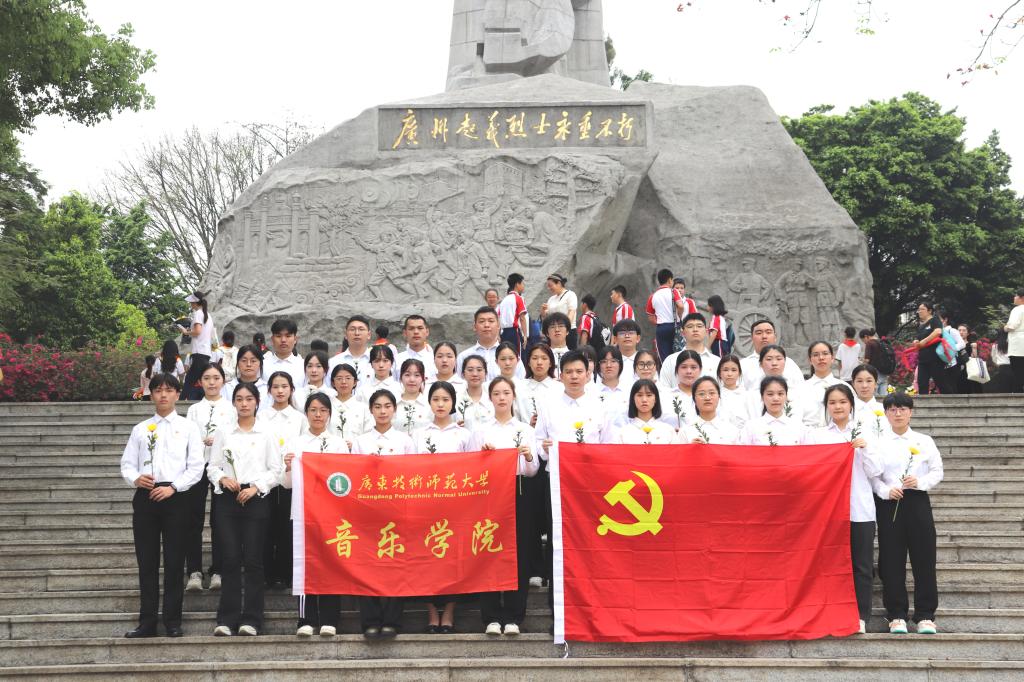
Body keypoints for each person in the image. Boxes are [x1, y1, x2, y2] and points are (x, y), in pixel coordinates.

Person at [120, 373, 205, 638]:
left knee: (174, 561)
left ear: (178, 394)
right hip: (146, 496)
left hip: (176, 497)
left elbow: (196, 466)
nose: (163, 395)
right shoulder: (141, 429)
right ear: (151, 395)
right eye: (158, 390)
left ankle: (172, 621)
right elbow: (127, 464)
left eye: (169, 390)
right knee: (146, 562)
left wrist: (173, 487)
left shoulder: (189, 427)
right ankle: (146, 622)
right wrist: (136, 478)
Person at [805, 384, 882, 634]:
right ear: (826, 407)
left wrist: (864, 448)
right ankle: (828, 612)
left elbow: (876, 471)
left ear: (851, 405)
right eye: (832, 402)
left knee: (862, 565)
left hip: (859, 509)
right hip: (828, 511)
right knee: (828, 564)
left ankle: (860, 616)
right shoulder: (818, 436)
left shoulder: (865, 434)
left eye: (842, 402)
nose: (837, 407)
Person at [208, 382, 283, 636]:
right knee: (229, 559)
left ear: (257, 402)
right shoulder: (224, 431)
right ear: (233, 403)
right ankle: (226, 619)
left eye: (249, 399)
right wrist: (222, 478)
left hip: (255, 497)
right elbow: (213, 466)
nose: (244, 403)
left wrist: (256, 487)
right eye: (239, 399)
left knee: (253, 560)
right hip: (228, 498)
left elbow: (276, 469)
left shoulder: (267, 432)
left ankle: (251, 619)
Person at [471, 377, 539, 636]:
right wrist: (483, 455)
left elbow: (532, 471)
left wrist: (528, 456)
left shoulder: (525, 429)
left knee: (518, 554)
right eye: (497, 393)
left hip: (518, 492)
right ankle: (490, 616)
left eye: (506, 393)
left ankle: (513, 616)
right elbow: (470, 468)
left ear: (513, 396)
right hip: (488, 495)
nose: (501, 397)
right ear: (490, 398)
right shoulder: (481, 431)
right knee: (488, 552)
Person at [873, 391, 944, 635]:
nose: (898, 413)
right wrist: (885, 491)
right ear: (886, 413)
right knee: (891, 560)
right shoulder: (878, 443)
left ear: (911, 412)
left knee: (924, 558)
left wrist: (920, 482)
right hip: (890, 503)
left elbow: (937, 471)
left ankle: (925, 615)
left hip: (917, 501)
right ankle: (896, 615)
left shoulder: (924, 441)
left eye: (902, 409)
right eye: (892, 409)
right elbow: (873, 477)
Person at [281, 393, 349, 637]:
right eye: (313, 410)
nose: (318, 415)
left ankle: (330, 618)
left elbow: (345, 481)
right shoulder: (296, 443)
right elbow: (286, 484)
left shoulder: (339, 444)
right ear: (306, 413)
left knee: (332, 564)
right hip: (303, 513)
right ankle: (306, 619)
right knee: (305, 564)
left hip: (332, 514)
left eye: (323, 410)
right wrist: (288, 468)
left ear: (329, 414)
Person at [351, 389, 413, 639]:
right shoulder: (361, 441)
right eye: (378, 406)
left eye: (387, 406)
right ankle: (370, 620)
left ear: (394, 410)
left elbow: (412, 474)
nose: (383, 411)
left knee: (396, 564)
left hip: (397, 509)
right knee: (368, 565)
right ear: (371, 410)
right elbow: (353, 475)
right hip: (368, 510)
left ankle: (392, 621)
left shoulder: (405, 441)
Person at [413, 381, 471, 633]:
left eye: (445, 400)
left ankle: (448, 610)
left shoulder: (464, 435)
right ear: (429, 402)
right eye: (436, 399)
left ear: (453, 403)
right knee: (426, 557)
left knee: (452, 558)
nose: (440, 404)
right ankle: (430, 611)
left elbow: (473, 468)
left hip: (455, 505)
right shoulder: (418, 434)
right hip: (424, 504)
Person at [184, 364, 237, 593]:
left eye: (216, 378)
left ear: (223, 381)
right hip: (196, 467)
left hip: (222, 468)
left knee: (220, 520)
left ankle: (218, 570)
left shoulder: (232, 408)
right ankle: (194, 571)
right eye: (207, 378)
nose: (212, 382)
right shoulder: (194, 409)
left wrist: (218, 441)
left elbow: (235, 437)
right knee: (193, 520)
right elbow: (187, 438)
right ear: (200, 382)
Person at [258, 371, 305, 591]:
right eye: (275, 387)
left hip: (291, 480)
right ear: (269, 390)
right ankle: (266, 574)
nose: (280, 391)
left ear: (291, 389)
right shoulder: (261, 417)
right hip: (266, 481)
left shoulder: (299, 418)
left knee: (288, 530)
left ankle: (286, 574)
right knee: (266, 529)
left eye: (284, 386)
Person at [739, 319, 805, 391]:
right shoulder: (743, 365)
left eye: (768, 332)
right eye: (759, 333)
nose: (764, 336)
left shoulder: (789, 363)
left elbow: (801, 390)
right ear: (752, 337)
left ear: (775, 337)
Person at [659, 312, 720, 388]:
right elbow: (663, 390)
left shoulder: (717, 362)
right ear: (682, 333)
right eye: (690, 326)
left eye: (699, 326)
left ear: (706, 331)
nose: (695, 329)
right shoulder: (671, 360)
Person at [739, 376, 805, 445]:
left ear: (786, 396)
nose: (776, 398)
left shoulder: (798, 427)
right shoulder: (751, 427)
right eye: (770, 394)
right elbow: (742, 450)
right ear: (762, 397)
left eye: (780, 394)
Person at [745, 344, 802, 422]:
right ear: (761, 364)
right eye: (769, 359)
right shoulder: (751, 395)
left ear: (785, 362)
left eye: (779, 359)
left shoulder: (797, 392)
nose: (774, 363)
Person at [457, 306, 514, 380]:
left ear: (498, 326)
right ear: (474, 326)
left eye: (491, 321)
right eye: (481, 321)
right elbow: (459, 384)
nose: (486, 325)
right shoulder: (463, 356)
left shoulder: (512, 356)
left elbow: (520, 382)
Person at [680, 376, 740, 444]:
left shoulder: (732, 430)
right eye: (701, 394)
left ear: (719, 397)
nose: (707, 398)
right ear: (694, 399)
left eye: (712, 393)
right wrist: (691, 448)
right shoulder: (685, 431)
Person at [177, 292, 214, 400]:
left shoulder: (198, 313)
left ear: (195, 302)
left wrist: (186, 332)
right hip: (206, 352)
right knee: (202, 379)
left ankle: (180, 403)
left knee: (189, 380)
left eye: (191, 302)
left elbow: (197, 332)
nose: (190, 304)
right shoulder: (208, 315)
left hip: (199, 352)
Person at [615, 379, 676, 444]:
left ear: (655, 399)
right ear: (633, 399)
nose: (644, 400)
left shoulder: (668, 430)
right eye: (640, 395)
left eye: (649, 395)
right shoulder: (623, 433)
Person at [911, 302, 952, 394]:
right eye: (919, 309)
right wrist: (916, 341)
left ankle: (952, 400)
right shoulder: (921, 326)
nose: (919, 311)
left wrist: (924, 341)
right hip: (923, 359)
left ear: (929, 311)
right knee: (922, 383)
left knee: (941, 382)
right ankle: (923, 402)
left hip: (935, 358)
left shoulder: (934, 320)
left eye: (922, 309)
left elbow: (938, 332)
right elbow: (918, 338)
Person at [645, 268, 687, 361]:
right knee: (678, 354)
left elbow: (651, 318)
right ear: (669, 280)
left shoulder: (653, 296)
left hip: (662, 328)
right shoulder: (674, 291)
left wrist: (661, 322)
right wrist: (679, 317)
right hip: (675, 326)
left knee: (665, 357)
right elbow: (681, 306)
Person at [800, 341, 843, 429]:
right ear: (810, 360)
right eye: (816, 355)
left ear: (832, 358)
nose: (821, 358)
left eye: (825, 353)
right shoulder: (800, 388)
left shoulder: (844, 387)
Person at [329, 363, 371, 447]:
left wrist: (355, 446)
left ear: (355, 382)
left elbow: (369, 434)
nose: (343, 382)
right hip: (330, 452)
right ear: (333, 383)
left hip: (356, 453)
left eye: (348, 378)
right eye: (339, 378)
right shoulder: (326, 407)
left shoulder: (363, 408)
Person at [660, 350, 701, 432]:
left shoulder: (708, 397)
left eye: (693, 367)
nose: (689, 371)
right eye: (684, 367)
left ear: (700, 370)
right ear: (676, 370)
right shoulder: (664, 396)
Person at [455, 355, 495, 431]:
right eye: (470, 370)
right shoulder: (456, 400)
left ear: (486, 373)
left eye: (479, 370)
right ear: (463, 374)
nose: (475, 374)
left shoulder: (494, 399)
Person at [328, 315, 374, 383]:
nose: (357, 333)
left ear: (369, 335)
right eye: (352, 329)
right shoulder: (333, 362)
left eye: (361, 329)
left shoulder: (377, 361)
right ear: (345, 334)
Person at [849, 364, 889, 440]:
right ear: (853, 384)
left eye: (869, 381)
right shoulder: (847, 410)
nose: (864, 385)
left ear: (876, 384)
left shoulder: (885, 410)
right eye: (859, 381)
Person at [539, 273, 578, 349]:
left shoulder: (570, 295)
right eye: (548, 286)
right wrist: (543, 311)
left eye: (550, 285)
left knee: (570, 354)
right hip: (553, 332)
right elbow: (546, 317)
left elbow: (571, 312)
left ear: (559, 283)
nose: (549, 288)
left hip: (568, 331)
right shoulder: (551, 299)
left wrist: (565, 329)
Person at [262, 319, 304, 387]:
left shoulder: (303, 365)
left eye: (288, 336)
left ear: (295, 339)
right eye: (278, 336)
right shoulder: (263, 365)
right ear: (272, 339)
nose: (283, 340)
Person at [394, 315, 436, 381]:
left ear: (427, 332)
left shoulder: (435, 359)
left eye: (420, 328)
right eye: (411, 328)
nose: (416, 332)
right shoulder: (396, 360)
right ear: (405, 333)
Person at [596, 346, 629, 428]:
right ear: (599, 366)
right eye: (604, 361)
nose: (608, 365)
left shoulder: (629, 390)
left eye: (613, 361)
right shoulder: (592, 392)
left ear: (620, 365)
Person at [395, 358, 430, 435]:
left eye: (417, 375)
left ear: (423, 378)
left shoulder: (429, 405)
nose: (412, 379)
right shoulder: (393, 405)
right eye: (407, 375)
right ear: (401, 378)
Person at [498, 273, 529, 358]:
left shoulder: (504, 300)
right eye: (522, 284)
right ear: (517, 284)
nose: (523, 286)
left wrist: (498, 335)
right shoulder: (518, 298)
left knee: (505, 355)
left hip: (503, 333)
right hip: (514, 332)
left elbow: (498, 318)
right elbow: (522, 318)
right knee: (517, 356)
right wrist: (525, 335)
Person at [715, 354, 749, 430]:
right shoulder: (716, 395)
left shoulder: (747, 395)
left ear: (739, 373)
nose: (729, 374)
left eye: (734, 370)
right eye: (725, 370)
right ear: (719, 373)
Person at [670, 278, 700, 353]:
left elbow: (695, 317)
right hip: (670, 330)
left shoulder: (689, 302)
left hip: (685, 331)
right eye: (677, 288)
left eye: (682, 288)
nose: (679, 290)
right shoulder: (669, 301)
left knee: (685, 352)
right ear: (672, 289)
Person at [611, 319, 642, 384]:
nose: (627, 336)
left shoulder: (645, 360)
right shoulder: (609, 362)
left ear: (638, 338)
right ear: (615, 339)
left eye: (631, 333)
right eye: (622, 333)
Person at [1005, 290, 1024, 393]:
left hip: (1018, 344)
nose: (1014, 297)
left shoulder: (1017, 309)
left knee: (1017, 369)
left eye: (1016, 296)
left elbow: (1012, 326)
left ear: (1022, 298)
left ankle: (1018, 391)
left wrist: (1005, 328)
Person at [859, 329, 888, 396]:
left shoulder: (870, 343)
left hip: (874, 371)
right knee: (883, 393)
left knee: (874, 393)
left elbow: (867, 360)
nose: (864, 342)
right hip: (884, 370)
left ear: (866, 336)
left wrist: (862, 365)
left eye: (863, 340)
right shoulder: (881, 342)